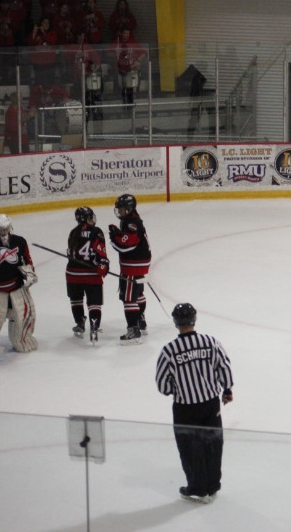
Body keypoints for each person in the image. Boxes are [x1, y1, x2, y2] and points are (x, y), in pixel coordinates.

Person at [155, 303, 234, 504]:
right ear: (194, 319)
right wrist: (227, 390)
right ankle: (213, 485)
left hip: (185, 408)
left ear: (175, 322)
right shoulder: (210, 342)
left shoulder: (169, 350)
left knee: (190, 448)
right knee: (213, 444)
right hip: (210, 404)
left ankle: (198, 488)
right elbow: (224, 366)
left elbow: (163, 386)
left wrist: (179, 388)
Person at [108, 193, 151, 344]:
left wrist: (114, 237)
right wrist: (119, 234)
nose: (119, 212)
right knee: (138, 293)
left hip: (133, 265)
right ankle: (140, 320)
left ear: (129, 208)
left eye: (121, 209)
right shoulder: (132, 219)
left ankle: (133, 330)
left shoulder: (131, 222)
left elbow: (126, 246)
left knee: (128, 298)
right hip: (142, 264)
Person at [0, 214, 38, 353]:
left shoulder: (20, 242)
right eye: (0, 229)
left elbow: (26, 260)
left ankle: (21, 341)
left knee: (22, 317)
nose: (3, 232)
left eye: (5, 228)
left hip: (16, 288)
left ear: (10, 227)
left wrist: (29, 274)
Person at [66, 207, 109, 342]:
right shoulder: (96, 232)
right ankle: (94, 327)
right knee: (94, 304)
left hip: (72, 274)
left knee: (76, 300)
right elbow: (100, 253)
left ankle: (80, 323)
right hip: (91, 274)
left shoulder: (73, 232)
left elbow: (70, 254)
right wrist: (103, 264)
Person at [114, 27, 145, 109]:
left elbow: (143, 53)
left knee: (130, 89)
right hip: (120, 70)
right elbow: (106, 53)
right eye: (125, 33)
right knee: (121, 89)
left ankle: (130, 107)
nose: (127, 35)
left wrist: (137, 61)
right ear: (122, 33)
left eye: (128, 33)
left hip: (130, 70)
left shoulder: (133, 42)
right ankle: (123, 105)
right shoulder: (117, 42)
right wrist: (116, 53)